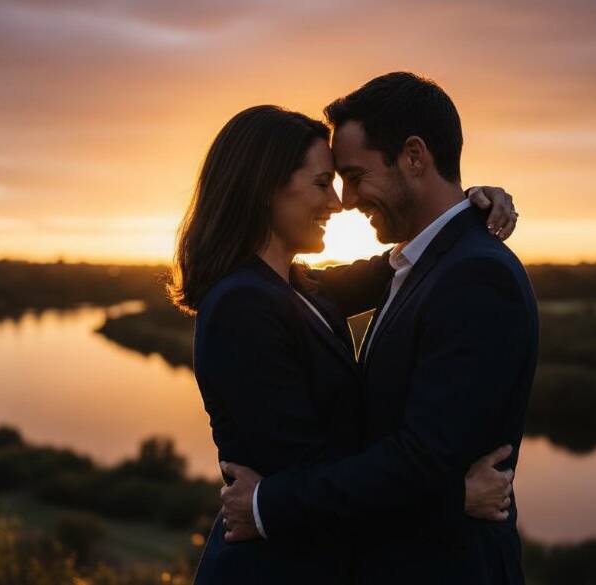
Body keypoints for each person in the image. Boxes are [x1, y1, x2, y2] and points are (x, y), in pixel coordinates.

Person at [170, 103, 519, 584]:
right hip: (272, 570)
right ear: (264, 187)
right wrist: (451, 498)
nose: (337, 203)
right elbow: (307, 470)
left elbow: (410, 262)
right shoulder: (241, 307)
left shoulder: (297, 288)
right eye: (321, 184)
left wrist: (469, 207)